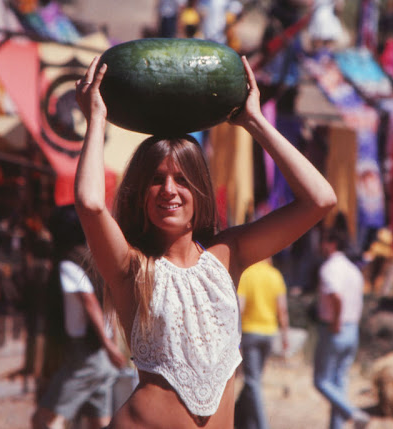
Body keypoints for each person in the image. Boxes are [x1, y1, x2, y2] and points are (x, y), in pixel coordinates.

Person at [74, 54, 336, 428]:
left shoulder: (229, 255)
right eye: (156, 179)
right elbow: (89, 202)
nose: (169, 190)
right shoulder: (131, 266)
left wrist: (253, 121)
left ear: (201, 190)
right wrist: (96, 120)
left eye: (182, 179)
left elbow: (320, 200)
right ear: (139, 194)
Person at [31, 205, 127, 429]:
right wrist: (112, 345)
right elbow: (106, 303)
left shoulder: (68, 263)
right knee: (99, 422)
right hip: (102, 359)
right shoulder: (92, 259)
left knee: (44, 420)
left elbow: (90, 303)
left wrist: (108, 345)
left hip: (86, 357)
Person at [313, 228, 370, 429]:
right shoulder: (354, 270)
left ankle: (353, 412)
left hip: (335, 328)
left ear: (331, 244)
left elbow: (336, 296)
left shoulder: (330, 268)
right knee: (339, 382)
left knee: (321, 381)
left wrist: (336, 320)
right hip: (352, 328)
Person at [234, 258, 290, 429]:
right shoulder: (275, 275)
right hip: (269, 333)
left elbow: (240, 307)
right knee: (254, 380)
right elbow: (282, 308)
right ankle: (239, 420)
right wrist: (285, 335)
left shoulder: (247, 274)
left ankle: (261, 425)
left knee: (252, 381)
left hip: (251, 333)